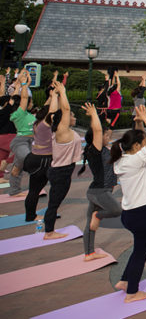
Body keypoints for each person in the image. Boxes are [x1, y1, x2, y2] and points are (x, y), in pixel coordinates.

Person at [111, 104, 146, 303]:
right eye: (143, 143)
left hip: (131, 213)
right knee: (143, 251)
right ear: (136, 147)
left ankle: (125, 280)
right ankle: (132, 292)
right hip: (143, 214)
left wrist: (140, 121)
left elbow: (142, 139)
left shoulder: (124, 159)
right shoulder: (136, 160)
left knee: (140, 248)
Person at [78, 101, 121, 262]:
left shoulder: (97, 149)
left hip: (97, 191)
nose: (107, 136)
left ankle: (89, 253)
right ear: (96, 137)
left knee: (90, 224)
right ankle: (98, 215)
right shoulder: (94, 150)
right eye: (104, 135)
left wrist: (96, 118)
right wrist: (94, 114)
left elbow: (100, 130)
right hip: (100, 191)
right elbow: (96, 130)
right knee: (116, 210)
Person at [42, 81, 84, 239]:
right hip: (61, 171)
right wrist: (63, 92)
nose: (73, 117)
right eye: (72, 115)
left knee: (55, 201)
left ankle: (49, 229)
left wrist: (55, 95)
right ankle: (49, 232)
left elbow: (53, 111)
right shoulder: (62, 131)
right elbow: (65, 110)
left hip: (60, 170)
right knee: (54, 203)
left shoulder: (58, 127)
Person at [24, 86, 56, 223]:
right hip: (43, 160)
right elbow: (52, 111)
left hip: (34, 157)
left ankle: (30, 215)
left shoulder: (37, 123)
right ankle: (31, 216)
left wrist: (51, 96)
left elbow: (47, 108)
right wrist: (55, 95)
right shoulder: (45, 125)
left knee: (33, 189)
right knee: (36, 190)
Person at [6, 70, 34, 196]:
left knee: (19, 167)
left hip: (30, 142)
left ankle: (15, 190)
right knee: (25, 160)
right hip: (20, 142)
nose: (32, 103)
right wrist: (23, 84)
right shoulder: (18, 114)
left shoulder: (28, 114)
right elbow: (23, 98)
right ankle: (15, 189)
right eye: (30, 101)